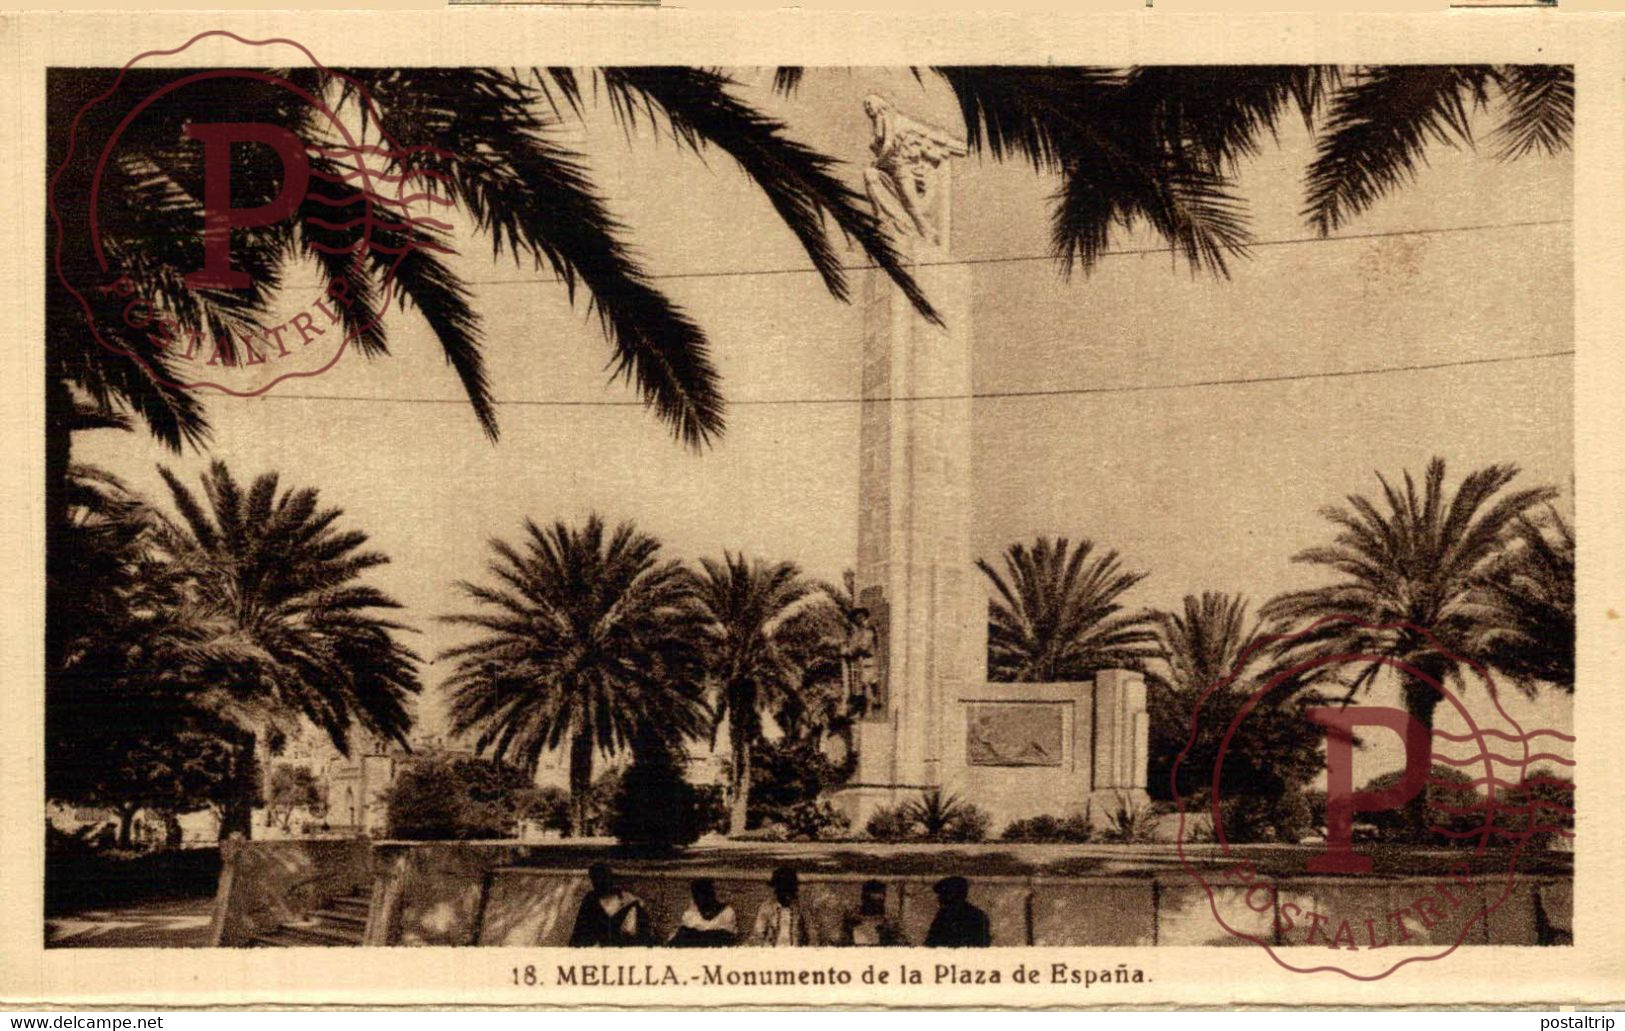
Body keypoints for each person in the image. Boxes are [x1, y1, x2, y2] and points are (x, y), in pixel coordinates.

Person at [569, 862, 650, 947]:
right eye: (595, 880)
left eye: (603, 878)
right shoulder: (591, 899)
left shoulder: (630, 902)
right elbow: (580, 932)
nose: (598, 883)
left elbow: (633, 934)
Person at [751, 866, 814, 946]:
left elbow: (812, 933)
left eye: (788, 890)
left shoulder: (801, 907)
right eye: (782, 890)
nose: (786, 894)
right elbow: (758, 934)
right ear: (776, 890)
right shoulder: (767, 907)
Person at [924, 875, 992, 947]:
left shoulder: (944, 917)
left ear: (952, 895)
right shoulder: (978, 916)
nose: (939, 899)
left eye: (943, 895)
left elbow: (931, 944)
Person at [668, 878, 737, 948]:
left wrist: (696, 934)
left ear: (712, 894)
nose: (701, 899)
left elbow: (727, 939)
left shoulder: (727, 913)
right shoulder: (691, 914)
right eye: (696, 896)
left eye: (705, 895)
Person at [840, 879, 905, 946]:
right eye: (871, 898)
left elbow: (900, 945)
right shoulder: (852, 919)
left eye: (880, 899)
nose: (876, 902)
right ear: (863, 898)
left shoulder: (889, 922)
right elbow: (843, 942)